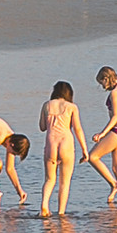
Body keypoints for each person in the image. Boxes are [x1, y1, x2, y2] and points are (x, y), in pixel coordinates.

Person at [38, 80, 90, 217]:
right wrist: (84, 150)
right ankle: (61, 213)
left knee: (49, 179)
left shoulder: (47, 105)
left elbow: (42, 127)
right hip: (66, 144)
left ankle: (44, 205)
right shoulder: (72, 107)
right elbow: (78, 129)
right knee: (64, 182)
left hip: (51, 143)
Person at [87, 67, 117, 205]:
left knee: (92, 157)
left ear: (106, 79)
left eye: (101, 82)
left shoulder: (115, 93)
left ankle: (114, 184)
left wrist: (102, 134)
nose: (102, 86)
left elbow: (116, 117)